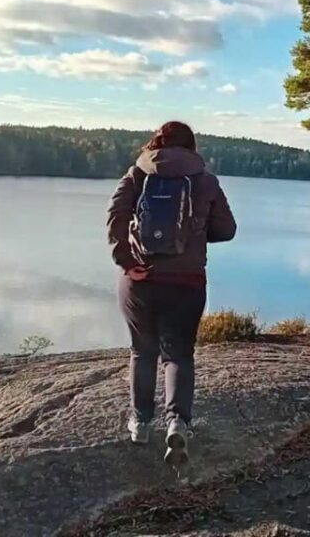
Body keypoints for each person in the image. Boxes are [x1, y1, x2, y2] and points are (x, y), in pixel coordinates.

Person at [107, 121, 236, 466]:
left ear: (156, 143)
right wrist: (195, 234)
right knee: (178, 355)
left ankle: (140, 423)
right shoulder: (205, 180)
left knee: (142, 350)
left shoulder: (137, 173)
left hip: (141, 279)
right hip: (187, 282)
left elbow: (115, 217)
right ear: (191, 146)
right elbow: (227, 229)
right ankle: (177, 422)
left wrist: (126, 262)